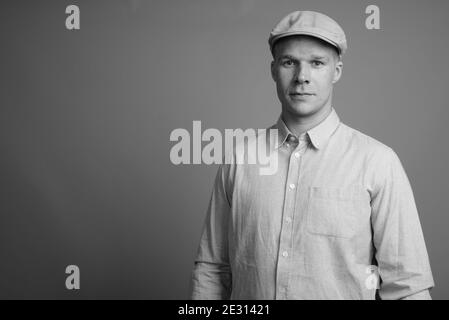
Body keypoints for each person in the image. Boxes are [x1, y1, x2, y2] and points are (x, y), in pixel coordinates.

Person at [190, 10, 434, 300]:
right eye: (289, 62)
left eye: (317, 63)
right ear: (273, 70)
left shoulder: (378, 161)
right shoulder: (240, 159)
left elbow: (406, 287)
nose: (301, 77)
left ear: (337, 71)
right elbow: (213, 270)